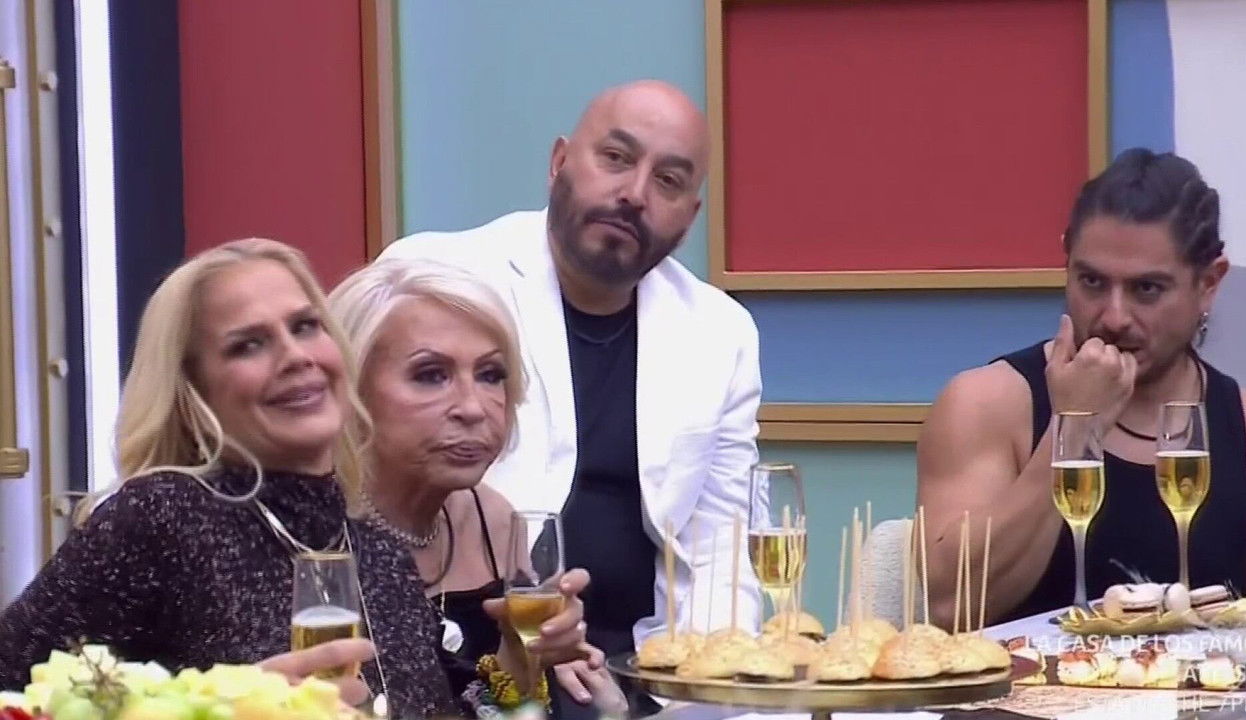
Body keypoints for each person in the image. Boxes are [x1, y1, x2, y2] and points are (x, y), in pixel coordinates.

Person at [0, 239, 590, 719]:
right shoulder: (163, 514)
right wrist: (223, 711)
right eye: (249, 345)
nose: (296, 356)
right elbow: (13, 693)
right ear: (195, 389)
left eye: (306, 327)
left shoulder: (374, 545)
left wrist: (517, 665)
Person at [380, 79, 763, 665]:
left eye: (668, 180)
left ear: (689, 219)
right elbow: (365, 490)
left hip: (652, 666)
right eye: (616, 158)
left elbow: (721, 545)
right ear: (559, 162)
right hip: (486, 651)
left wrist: (709, 683)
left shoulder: (720, 332)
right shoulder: (437, 278)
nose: (634, 194)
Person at [918, 149, 1246, 626]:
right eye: (1091, 281)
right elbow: (949, 608)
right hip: (1016, 678)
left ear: (1209, 283)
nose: (1113, 317)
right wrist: (1073, 427)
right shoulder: (986, 404)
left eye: (1146, 289)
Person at [328, 259, 626, 716]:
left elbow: (505, 707)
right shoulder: (308, 531)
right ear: (351, 388)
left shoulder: (495, 520)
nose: (473, 408)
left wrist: (533, 657)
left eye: (490, 375)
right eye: (431, 374)